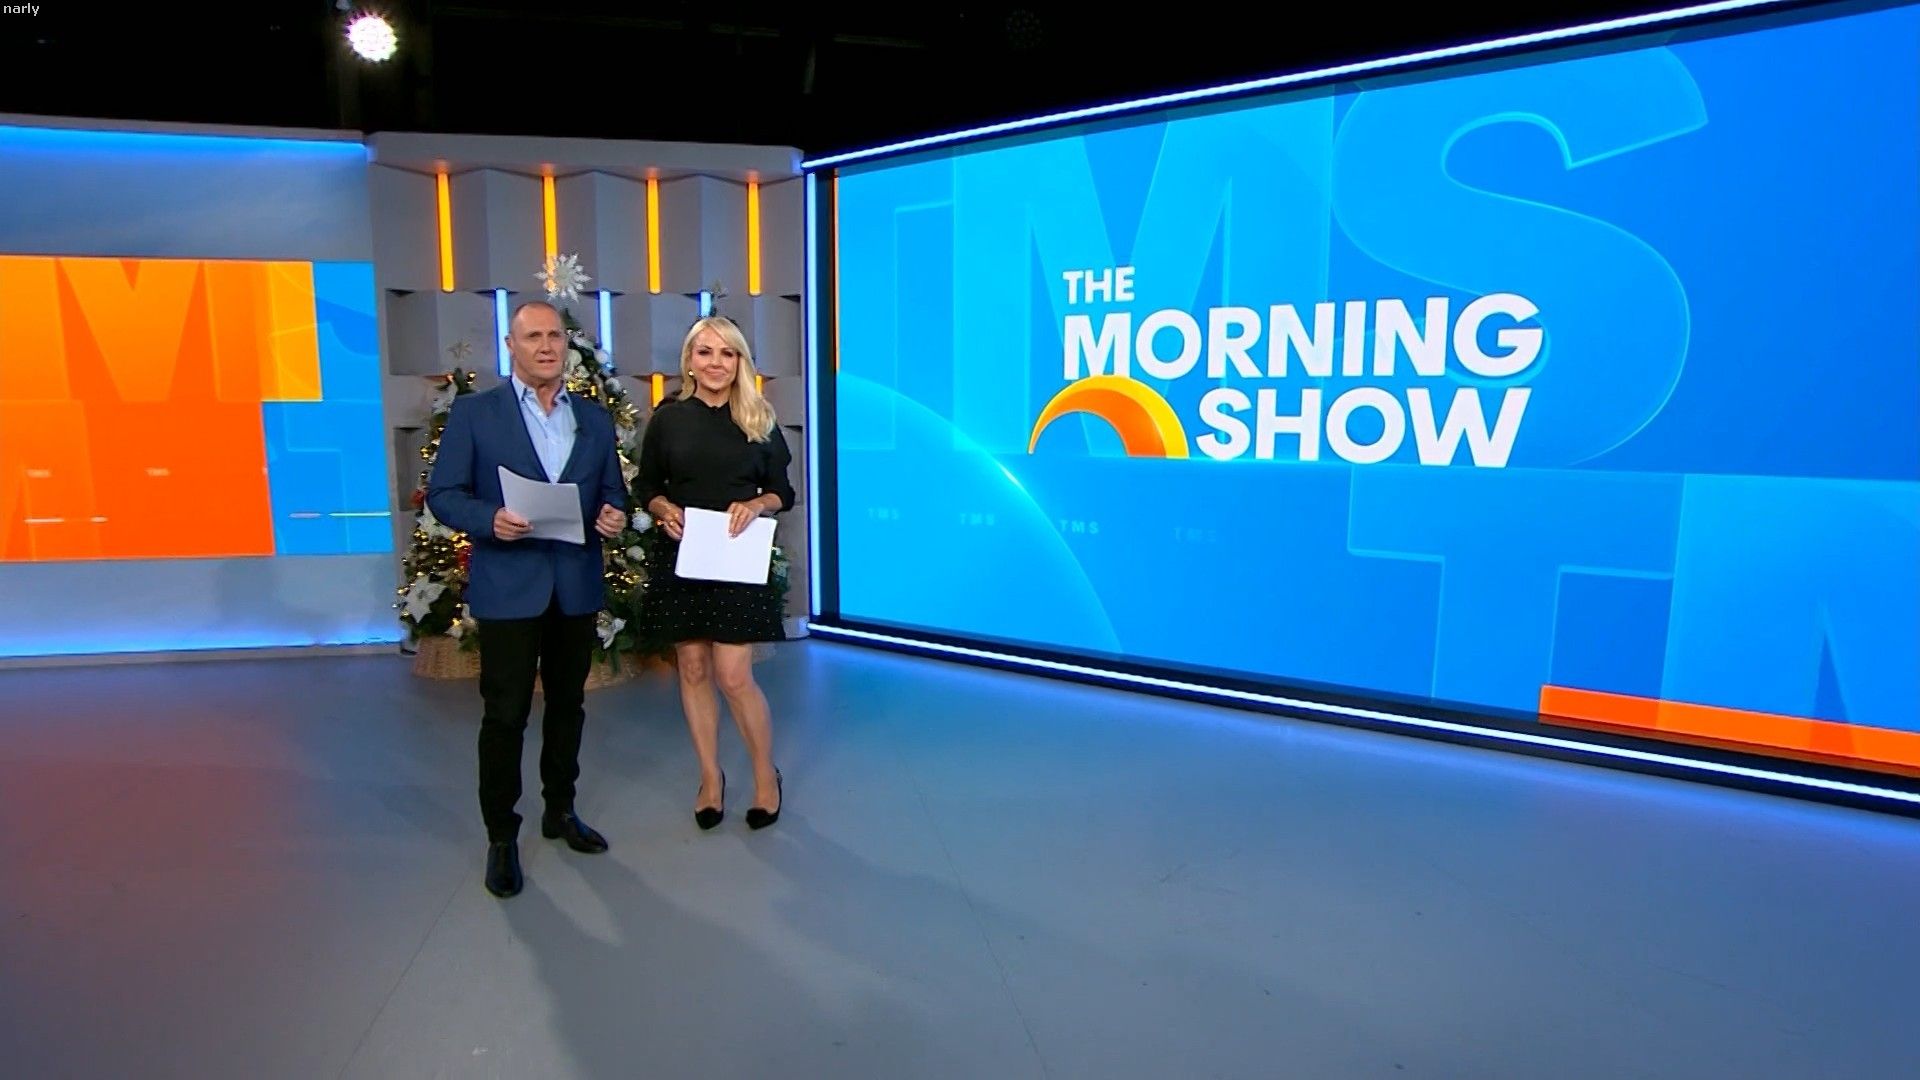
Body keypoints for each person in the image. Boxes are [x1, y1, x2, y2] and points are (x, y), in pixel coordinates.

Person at [427, 300, 629, 899]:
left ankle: (560, 811)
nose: (546, 346)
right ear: (511, 346)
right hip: (509, 588)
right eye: (533, 336)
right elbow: (443, 493)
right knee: (506, 715)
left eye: (555, 336)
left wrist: (614, 515)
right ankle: (501, 837)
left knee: (568, 706)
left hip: (574, 586)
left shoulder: (593, 418)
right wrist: (489, 519)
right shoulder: (475, 414)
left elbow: (613, 492)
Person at [635, 315, 795, 832]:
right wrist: (662, 507)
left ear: (740, 361)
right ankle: (710, 778)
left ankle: (765, 777)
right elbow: (647, 485)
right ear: (689, 360)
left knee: (733, 675)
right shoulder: (668, 418)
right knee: (693, 669)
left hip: (736, 557)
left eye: (727, 353)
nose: (716, 363)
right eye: (705, 352)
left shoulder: (759, 417)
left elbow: (783, 493)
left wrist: (757, 504)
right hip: (684, 556)